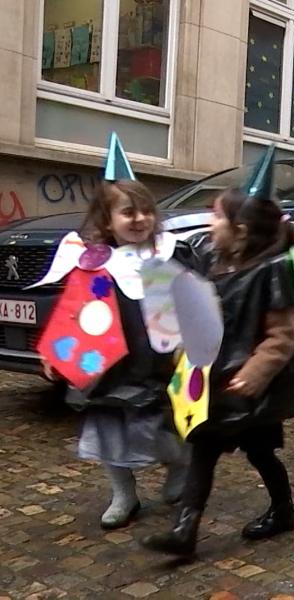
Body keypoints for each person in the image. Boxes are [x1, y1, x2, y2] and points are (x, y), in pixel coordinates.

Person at [142, 145, 294, 556]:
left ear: (240, 230)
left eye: (218, 215)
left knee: (258, 451)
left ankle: (280, 511)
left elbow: (282, 336)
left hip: (247, 384)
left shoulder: (272, 270)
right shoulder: (213, 257)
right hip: (216, 378)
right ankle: (187, 530)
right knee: (210, 447)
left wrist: (254, 375)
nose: (210, 221)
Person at [37, 133, 191, 530]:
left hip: (158, 366)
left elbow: (196, 305)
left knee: (164, 428)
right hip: (110, 368)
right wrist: (55, 354)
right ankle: (124, 493)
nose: (138, 219)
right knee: (109, 430)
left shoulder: (171, 253)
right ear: (108, 221)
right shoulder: (92, 263)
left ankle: (179, 469)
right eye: (127, 212)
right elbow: (72, 312)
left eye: (145, 211)